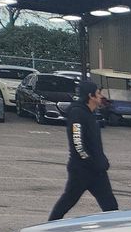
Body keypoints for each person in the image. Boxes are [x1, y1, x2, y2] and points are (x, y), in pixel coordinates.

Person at [47, 77, 118, 221]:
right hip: (81, 170)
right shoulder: (77, 113)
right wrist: (92, 162)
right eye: (98, 94)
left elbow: (94, 143)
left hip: (97, 171)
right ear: (90, 96)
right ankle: (50, 226)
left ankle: (115, 231)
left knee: (110, 205)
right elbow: (78, 144)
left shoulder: (91, 114)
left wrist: (102, 161)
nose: (100, 96)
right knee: (68, 200)